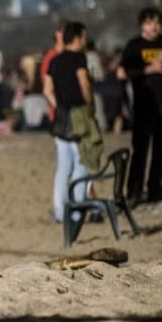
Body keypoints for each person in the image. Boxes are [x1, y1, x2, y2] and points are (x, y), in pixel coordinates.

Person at [118, 8, 162, 206]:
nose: (153, 27)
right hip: (144, 105)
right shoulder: (134, 45)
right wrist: (148, 69)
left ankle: (155, 188)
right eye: (149, 23)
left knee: (161, 150)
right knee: (140, 149)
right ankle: (134, 191)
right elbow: (122, 73)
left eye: (156, 23)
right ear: (142, 25)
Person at [44, 22, 103, 223]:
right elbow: (84, 84)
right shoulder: (79, 58)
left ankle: (60, 211)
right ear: (77, 38)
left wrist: (60, 104)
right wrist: (89, 106)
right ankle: (77, 211)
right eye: (83, 36)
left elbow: (47, 90)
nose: (85, 40)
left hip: (61, 118)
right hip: (79, 117)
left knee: (63, 167)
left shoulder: (55, 61)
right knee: (81, 164)